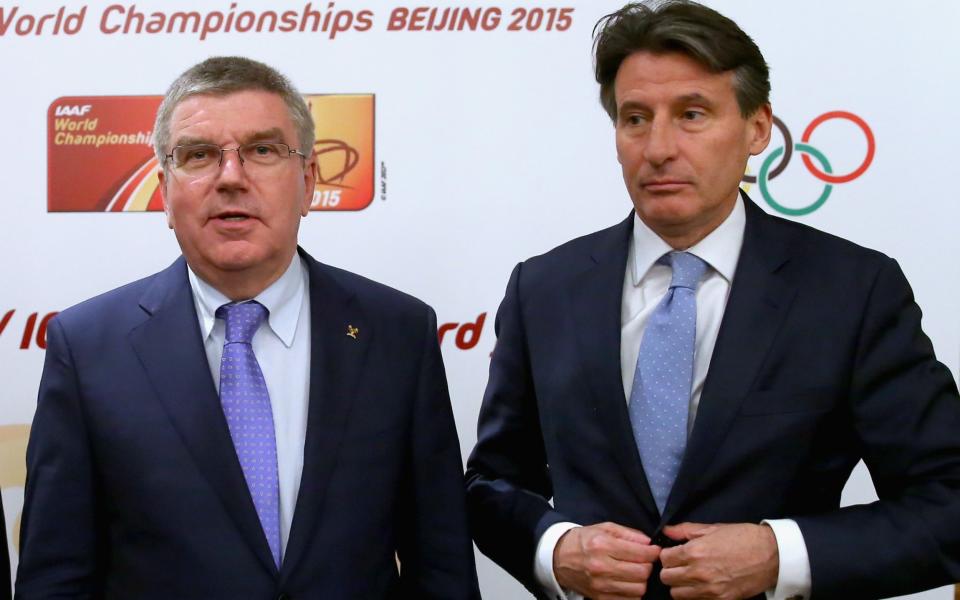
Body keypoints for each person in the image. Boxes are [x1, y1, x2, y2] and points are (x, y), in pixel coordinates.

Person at [465, 2, 960, 599]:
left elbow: (947, 502)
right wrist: (555, 549)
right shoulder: (544, 288)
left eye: (692, 114)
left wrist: (780, 556)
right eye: (635, 118)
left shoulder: (852, 291)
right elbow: (492, 483)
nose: (658, 148)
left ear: (757, 128)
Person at [16, 56, 479, 599]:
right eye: (199, 155)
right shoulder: (88, 347)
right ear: (164, 191)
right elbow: (56, 577)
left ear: (308, 182)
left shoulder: (399, 334)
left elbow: (441, 566)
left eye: (262, 150)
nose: (231, 177)